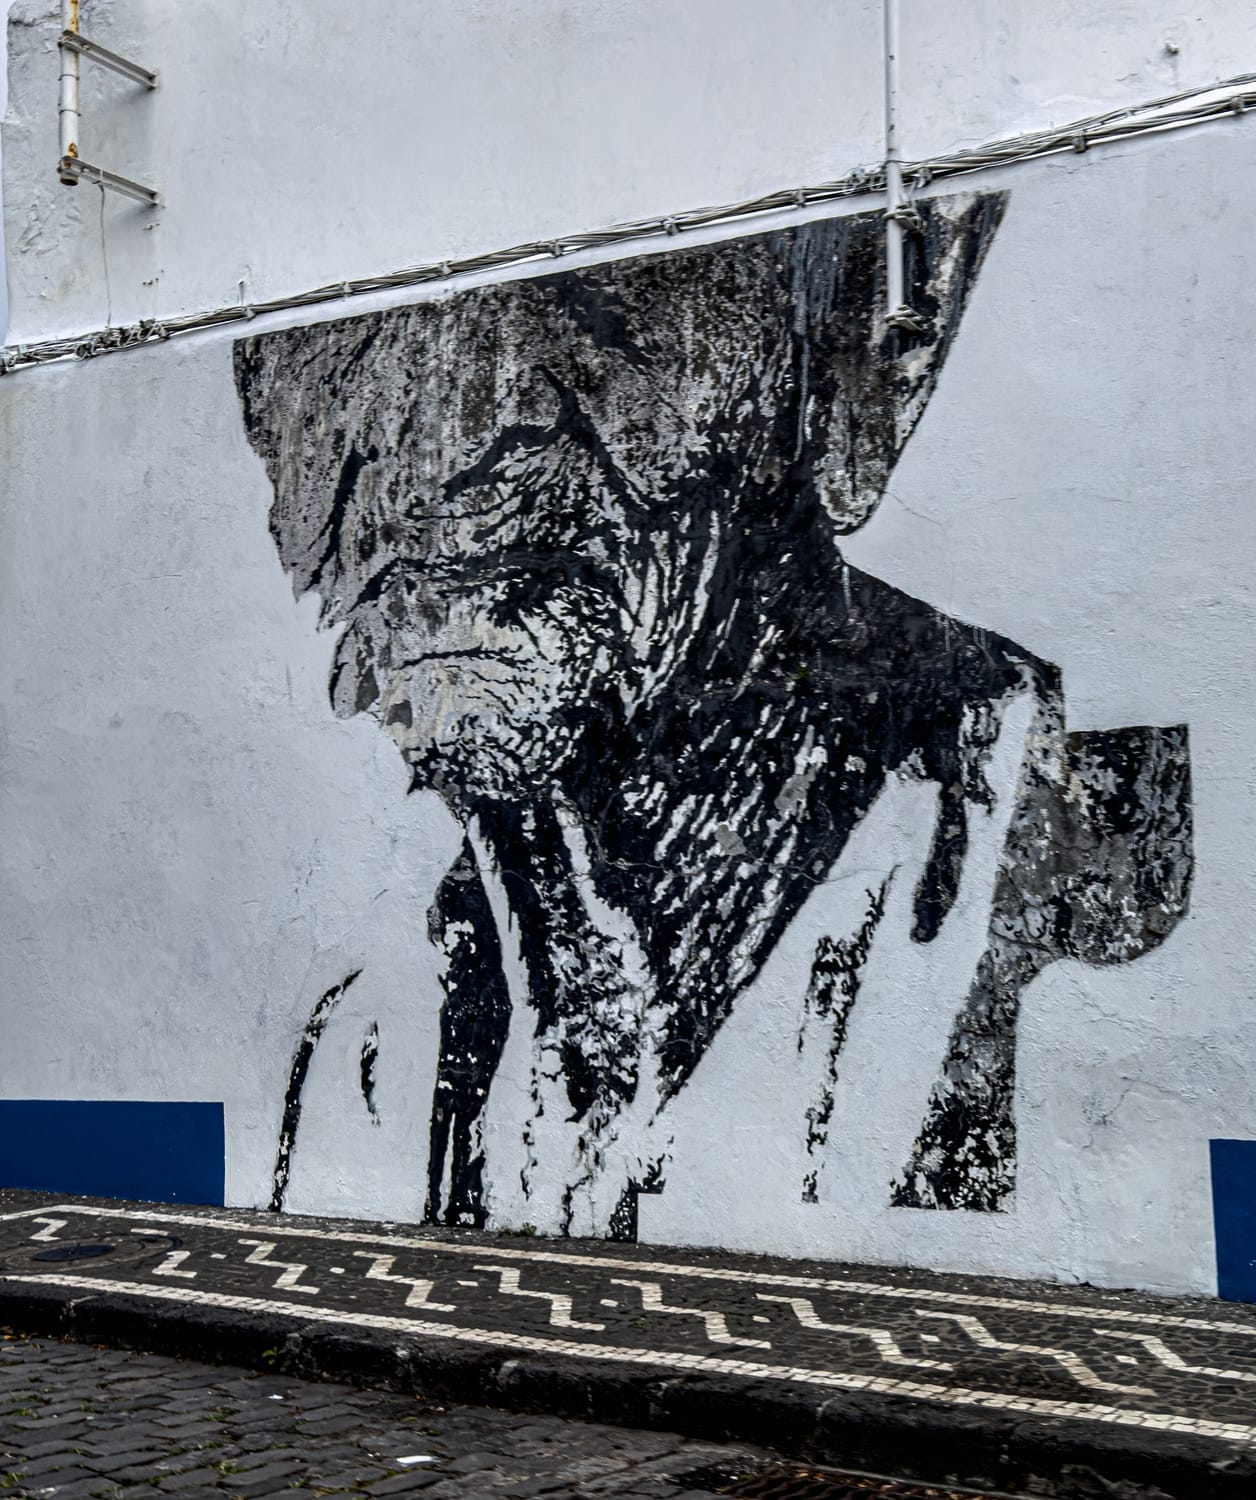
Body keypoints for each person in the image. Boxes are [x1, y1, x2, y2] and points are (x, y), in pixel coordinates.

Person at [235, 193, 1193, 1240]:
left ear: (876, 335)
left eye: (600, 277)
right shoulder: (384, 1023)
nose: (440, 417)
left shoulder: (1086, 877)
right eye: (345, 310)